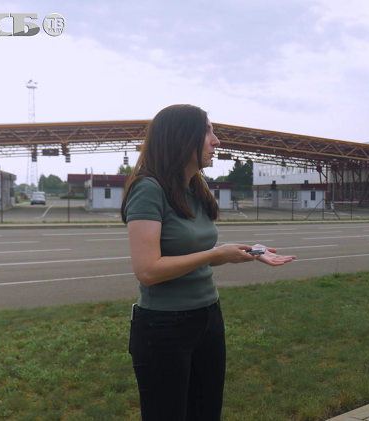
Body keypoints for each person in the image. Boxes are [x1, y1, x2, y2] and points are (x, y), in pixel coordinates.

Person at [121, 104, 295, 421]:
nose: (217, 141)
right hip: (165, 328)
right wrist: (216, 253)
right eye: (209, 131)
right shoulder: (148, 189)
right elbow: (148, 271)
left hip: (208, 319)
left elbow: (190, 258)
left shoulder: (193, 188)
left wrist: (238, 253)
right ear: (181, 138)